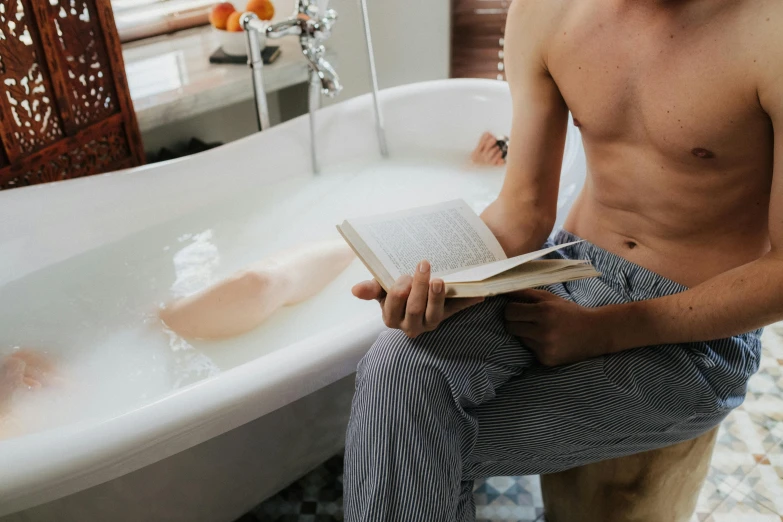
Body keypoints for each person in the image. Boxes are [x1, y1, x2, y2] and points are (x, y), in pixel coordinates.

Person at [344, 0, 783, 520]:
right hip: (565, 274)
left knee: (417, 444)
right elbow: (523, 213)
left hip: (694, 338)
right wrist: (446, 282)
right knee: (394, 368)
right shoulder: (544, 11)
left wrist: (606, 330)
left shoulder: (769, 31)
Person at [160, 240, 354, 339]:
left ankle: (357, 245)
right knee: (262, 284)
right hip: (165, 326)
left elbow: (259, 284)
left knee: (263, 283)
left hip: (168, 325)